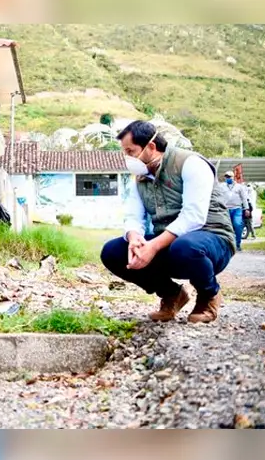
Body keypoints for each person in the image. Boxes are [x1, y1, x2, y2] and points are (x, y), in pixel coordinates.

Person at [100, 121, 236, 324]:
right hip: (170, 244)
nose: (127, 158)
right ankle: (172, 294)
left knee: (185, 246)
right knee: (113, 252)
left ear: (151, 147)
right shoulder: (140, 178)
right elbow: (133, 216)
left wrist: (153, 246)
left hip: (212, 239)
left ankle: (209, 295)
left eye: (130, 151)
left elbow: (194, 216)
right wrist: (134, 238)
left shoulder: (191, 163)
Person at [222, 171, 249, 251]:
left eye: (229, 177)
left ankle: (237, 245)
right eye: (226, 177)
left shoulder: (239, 187)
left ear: (233, 177)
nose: (227, 178)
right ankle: (227, 245)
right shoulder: (222, 186)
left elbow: (244, 198)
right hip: (226, 209)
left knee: (237, 225)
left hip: (237, 209)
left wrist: (246, 208)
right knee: (225, 227)